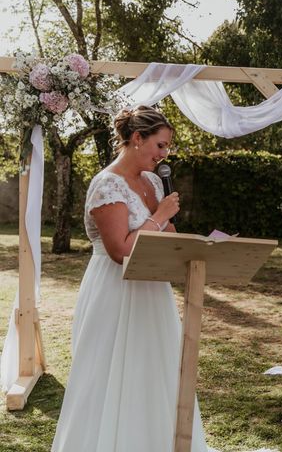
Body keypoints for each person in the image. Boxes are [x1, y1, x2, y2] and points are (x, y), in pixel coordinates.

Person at [51, 105, 209, 451]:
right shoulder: (107, 184)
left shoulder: (153, 182)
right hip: (114, 290)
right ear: (137, 139)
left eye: (166, 147)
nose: (164, 154)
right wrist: (160, 216)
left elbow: (168, 233)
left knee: (152, 369)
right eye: (160, 145)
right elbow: (121, 249)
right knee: (107, 373)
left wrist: (175, 227)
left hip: (152, 288)